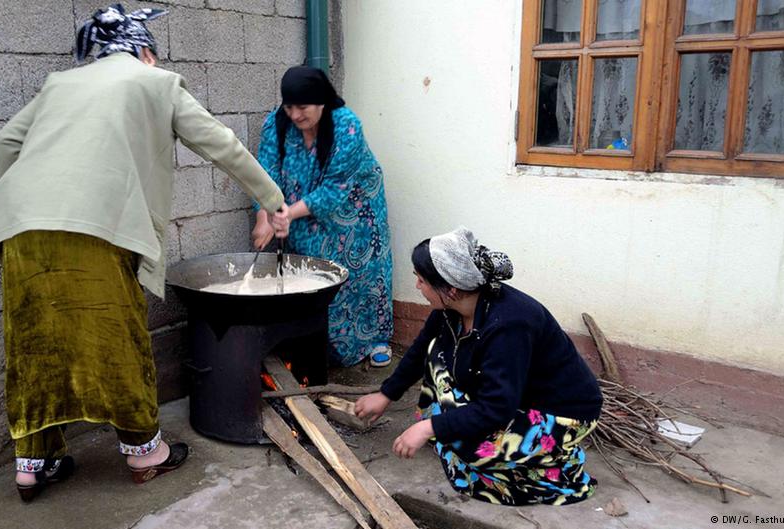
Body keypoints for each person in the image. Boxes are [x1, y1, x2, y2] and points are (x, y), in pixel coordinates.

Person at [0, 4, 290, 502]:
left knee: (33, 345)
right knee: (118, 337)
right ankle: (145, 452)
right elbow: (221, 144)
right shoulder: (156, 83)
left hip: (20, 224)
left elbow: (8, 139)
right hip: (96, 224)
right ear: (145, 52)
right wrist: (273, 202)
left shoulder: (61, 83)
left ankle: (32, 466)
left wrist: (31, 193)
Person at [355, 227, 603, 506]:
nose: (417, 287)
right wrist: (387, 394)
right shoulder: (452, 309)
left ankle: (558, 467)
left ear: (450, 289)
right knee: (435, 364)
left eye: (421, 280)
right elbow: (420, 351)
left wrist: (428, 428)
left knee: (471, 449)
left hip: (561, 410)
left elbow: (497, 407)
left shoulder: (508, 325)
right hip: (514, 396)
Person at [251, 65, 394, 367]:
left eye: (302, 108)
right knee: (311, 273)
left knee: (360, 276)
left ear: (321, 101)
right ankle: (317, 343)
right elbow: (264, 175)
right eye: (289, 107)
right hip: (299, 214)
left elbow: (335, 189)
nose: (295, 115)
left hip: (353, 211)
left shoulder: (347, 126)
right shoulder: (275, 125)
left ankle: (375, 339)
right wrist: (264, 217)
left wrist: (287, 213)